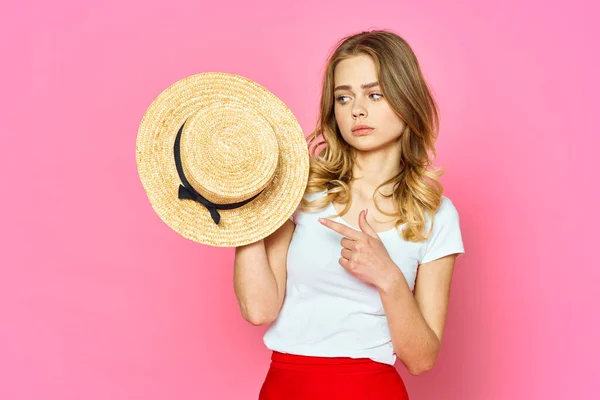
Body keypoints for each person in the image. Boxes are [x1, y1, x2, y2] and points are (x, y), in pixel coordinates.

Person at [233, 29, 465, 400]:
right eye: (344, 98)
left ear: (407, 101)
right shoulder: (299, 191)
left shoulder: (435, 215)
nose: (357, 110)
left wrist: (388, 276)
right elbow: (259, 309)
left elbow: (422, 359)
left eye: (375, 95)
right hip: (286, 386)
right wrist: (244, 216)